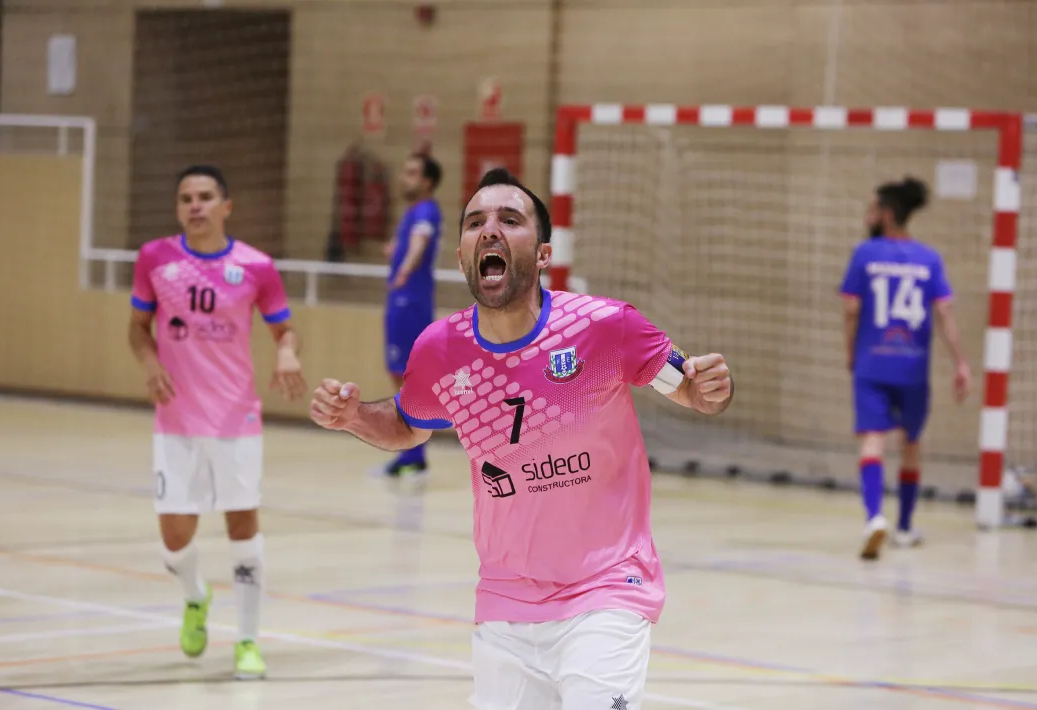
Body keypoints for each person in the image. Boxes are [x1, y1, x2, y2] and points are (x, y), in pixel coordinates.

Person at [310, 168, 734, 709]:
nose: (490, 230)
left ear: (541, 254)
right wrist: (352, 416)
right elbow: (405, 424)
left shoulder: (604, 327)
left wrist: (709, 391)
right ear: (463, 254)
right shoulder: (440, 350)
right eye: (475, 223)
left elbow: (690, 387)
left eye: (510, 220)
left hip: (605, 590)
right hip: (506, 600)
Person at [128, 164, 307, 679]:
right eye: (186, 198)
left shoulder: (256, 266)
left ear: (226, 206)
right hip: (176, 420)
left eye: (206, 196)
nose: (195, 205)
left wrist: (288, 353)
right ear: (178, 208)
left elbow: (285, 330)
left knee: (242, 527)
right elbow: (138, 328)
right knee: (174, 540)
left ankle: (247, 641)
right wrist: (148, 363)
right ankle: (195, 597)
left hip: (236, 420)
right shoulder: (154, 259)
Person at [839, 176, 970, 561]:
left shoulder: (864, 253)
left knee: (872, 440)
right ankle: (906, 527)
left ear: (888, 213)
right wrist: (960, 362)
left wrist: (850, 351)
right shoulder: (929, 258)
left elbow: (851, 309)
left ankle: (874, 517)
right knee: (911, 444)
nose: (868, 214)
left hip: (872, 362)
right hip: (913, 367)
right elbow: (944, 311)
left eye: (873, 207)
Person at [379, 152, 444, 480]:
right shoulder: (413, 212)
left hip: (411, 303)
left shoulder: (427, 211)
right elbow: (409, 240)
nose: (405, 178)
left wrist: (405, 269)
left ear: (427, 181)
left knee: (408, 376)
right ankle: (412, 450)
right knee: (397, 373)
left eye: (412, 173)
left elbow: (419, 243)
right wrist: (394, 249)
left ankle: (414, 452)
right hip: (400, 301)